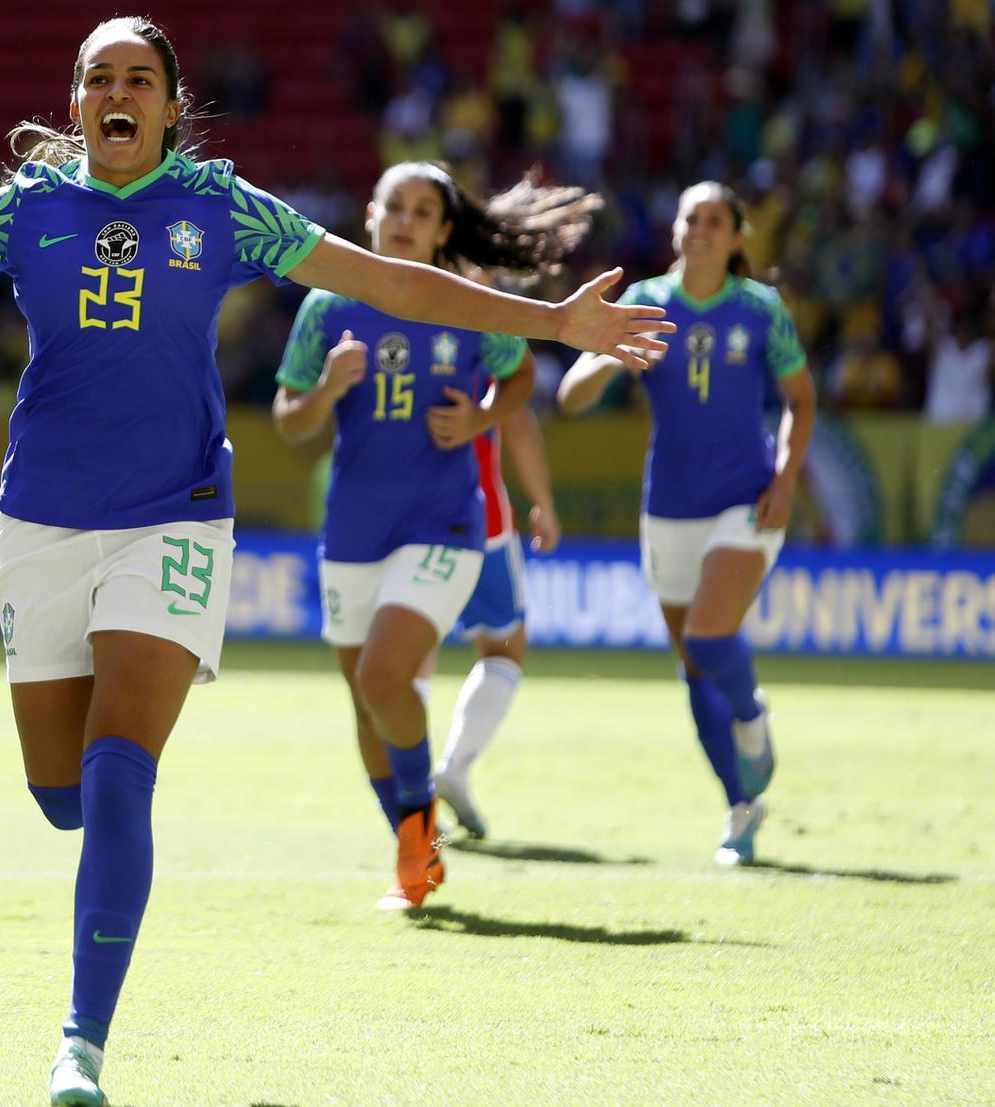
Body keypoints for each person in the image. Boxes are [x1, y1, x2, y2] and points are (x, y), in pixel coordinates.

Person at [0, 21, 672, 1104]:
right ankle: (108, 871)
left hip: (176, 518)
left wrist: (552, 321)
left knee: (123, 774)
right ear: (76, 103)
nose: (117, 93)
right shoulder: (25, 209)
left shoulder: (222, 206)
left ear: (174, 106)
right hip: (42, 521)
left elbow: (390, 285)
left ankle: (82, 1044)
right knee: (60, 794)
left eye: (139, 78)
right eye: (98, 79)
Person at [271, 161, 597, 909]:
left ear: (445, 230)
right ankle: (414, 842)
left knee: (386, 676)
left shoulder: (466, 304)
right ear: (370, 214)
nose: (407, 220)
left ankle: (418, 836)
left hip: (445, 524)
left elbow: (518, 382)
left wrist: (482, 416)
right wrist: (326, 389)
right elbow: (291, 420)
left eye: (424, 211)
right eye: (396, 206)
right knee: (364, 702)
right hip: (354, 527)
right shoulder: (327, 306)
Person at [557, 180, 815, 867]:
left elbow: (800, 399)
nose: (699, 229)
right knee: (693, 667)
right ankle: (741, 806)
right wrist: (611, 356)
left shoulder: (761, 309)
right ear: (675, 231)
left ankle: (754, 717)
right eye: (689, 217)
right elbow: (571, 395)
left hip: (746, 500)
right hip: (667, 507)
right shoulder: (644, 303)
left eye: (714, 220)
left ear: (736, 238)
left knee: (708, 633)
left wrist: (786, 480)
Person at [431, 394, 561, 840]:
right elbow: (518, 416)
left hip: (394, 520)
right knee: (503, 649)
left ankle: (407, 799)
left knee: (405, 655)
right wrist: (542, 500)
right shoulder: (492, 330)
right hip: (477, 517)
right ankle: (453, 766)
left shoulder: (376, 324)